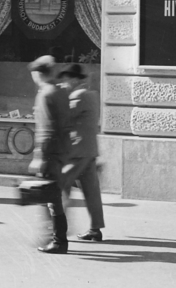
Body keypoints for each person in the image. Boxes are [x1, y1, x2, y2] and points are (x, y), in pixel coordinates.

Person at [57, 63, 105, 243]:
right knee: (92, 192)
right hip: (90, 151)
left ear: (76, 80)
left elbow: (64, 118)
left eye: (67, 79)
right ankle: (95, 229)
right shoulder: (92, 95)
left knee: (61, 188)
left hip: (77, 152)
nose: (65, 82)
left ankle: (59, 228)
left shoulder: (77, 96)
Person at [29, 55, 71, 254]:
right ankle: (56, 238)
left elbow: (46, 130)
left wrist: (40, 157)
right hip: (61, 150)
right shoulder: (61, 91)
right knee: (54, 197)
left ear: (39, 73)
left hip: (50, 152)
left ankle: (58, 241)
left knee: (52, 199)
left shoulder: (45, 94)